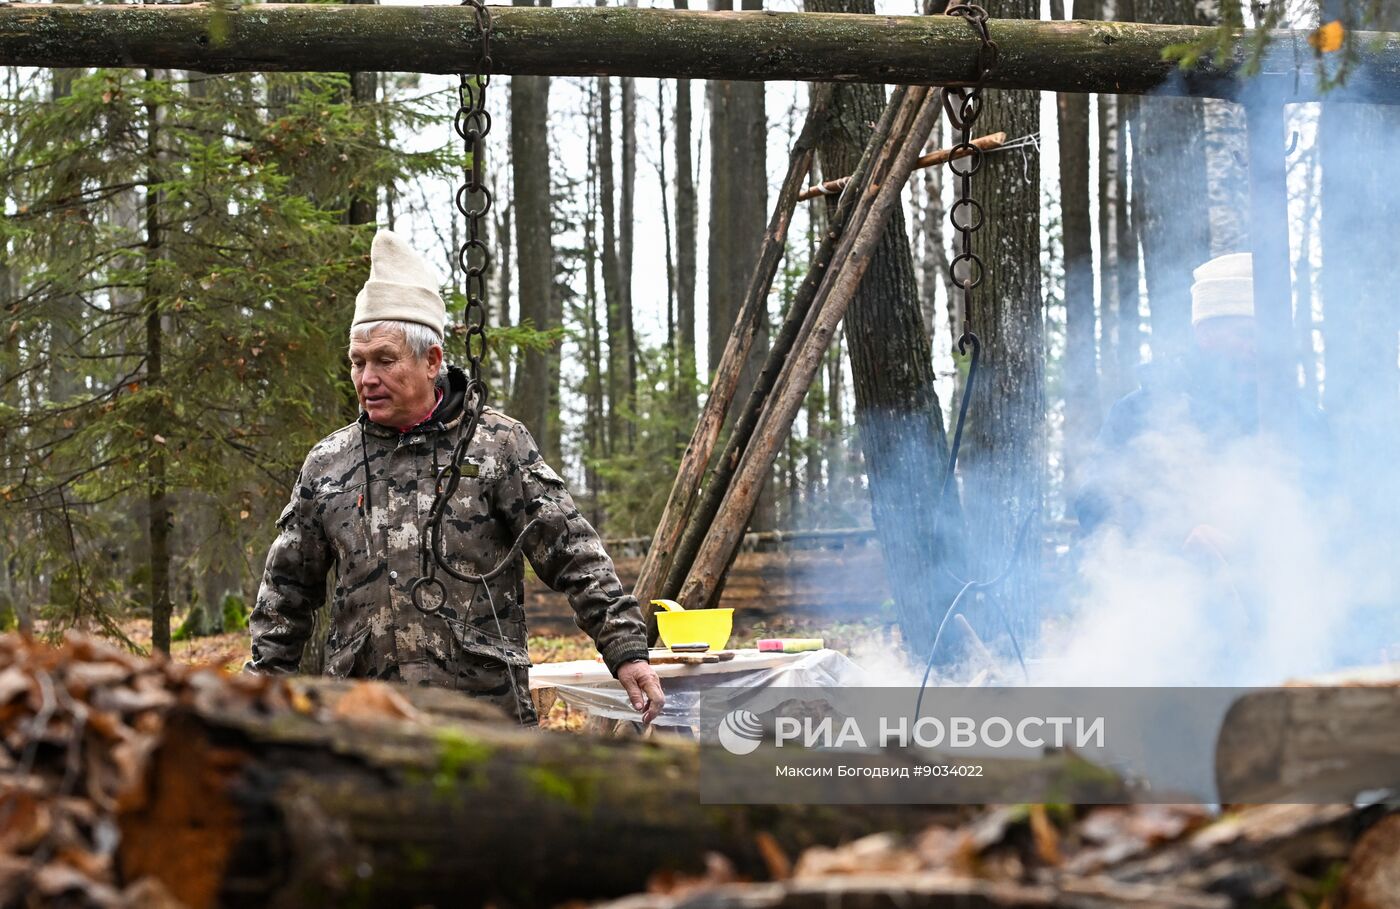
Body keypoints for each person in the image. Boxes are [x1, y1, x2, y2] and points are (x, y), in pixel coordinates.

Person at [246, 229, 664, 726]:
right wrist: (258, 698)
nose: (366, 378)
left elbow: (572, 551)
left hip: (484, 716)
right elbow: (285, 594)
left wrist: (626, 649)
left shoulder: (497, 445)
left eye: (384, 359)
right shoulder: (329, 463)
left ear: (432, 360)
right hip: (365, 721)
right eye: (357, 363)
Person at [1074, 252, 1329, 547]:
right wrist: (1173, 540)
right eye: (1247, 334)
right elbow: (1098, 502)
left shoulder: (1305, 420)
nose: (1259, 348)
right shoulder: (1138, 413)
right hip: (1162, 585)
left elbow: (1331, 516)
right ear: (1205, 334)